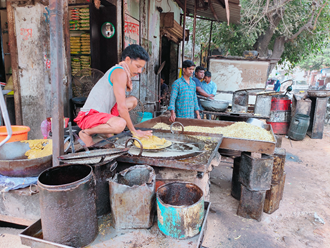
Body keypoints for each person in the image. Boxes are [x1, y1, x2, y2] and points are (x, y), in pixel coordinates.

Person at [74, 44, 153, 147]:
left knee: (133, 100)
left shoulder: (121, 70)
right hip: (88, 116)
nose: (139, 71)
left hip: (103, 113)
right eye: (138, 66)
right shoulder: (120, 72)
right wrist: (134, 131)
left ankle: (107, 131)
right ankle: (86, 133)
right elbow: (121, 108)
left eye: (141, 68)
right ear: (128, 60)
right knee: (120, 124)